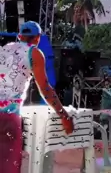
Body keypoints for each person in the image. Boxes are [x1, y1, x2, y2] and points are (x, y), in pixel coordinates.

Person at [0, 21, 74, 173]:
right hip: (7, 117)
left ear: (19, 36)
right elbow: (45, 89)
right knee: (8, 166)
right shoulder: (34, 53)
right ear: (37, 38)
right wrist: (64, 116)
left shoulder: (5, 49)